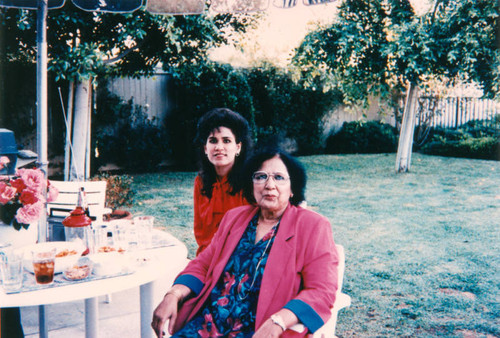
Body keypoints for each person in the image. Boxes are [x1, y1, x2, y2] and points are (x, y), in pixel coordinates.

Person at [152, 147, 339, 337]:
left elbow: (321, 291)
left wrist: (279, 321)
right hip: (208, 325)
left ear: (293, 189)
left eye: (279, 177)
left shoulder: (312, 226)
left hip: (261, 329)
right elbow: (204, 263)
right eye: (260, 176)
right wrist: (173, 295)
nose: (269, 185)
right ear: (252, 184)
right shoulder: (235, 218)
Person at [192, 108, 253, 255]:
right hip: (207, 258)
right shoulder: (200, 182)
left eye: (226, 141)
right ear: (206, 148)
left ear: (238, 147)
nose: (219, 147)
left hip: (241, 260)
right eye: (213, 141)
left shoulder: (251, 182)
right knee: (181, 279)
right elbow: (200, 231)